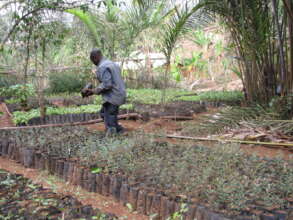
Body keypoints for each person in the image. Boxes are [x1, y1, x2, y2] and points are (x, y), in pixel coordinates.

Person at [81, 49, 126, 134]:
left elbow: (107, 84)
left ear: (95, 58)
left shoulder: (102, 67)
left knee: (109, 118)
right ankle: (119, 130)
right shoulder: (111, 63)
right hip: (119, 93)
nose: (93, 63)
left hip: (113, 97)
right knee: (104, 113)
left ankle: (113, 137)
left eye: (92, 60)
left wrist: (93, 91)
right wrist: (94, 91)